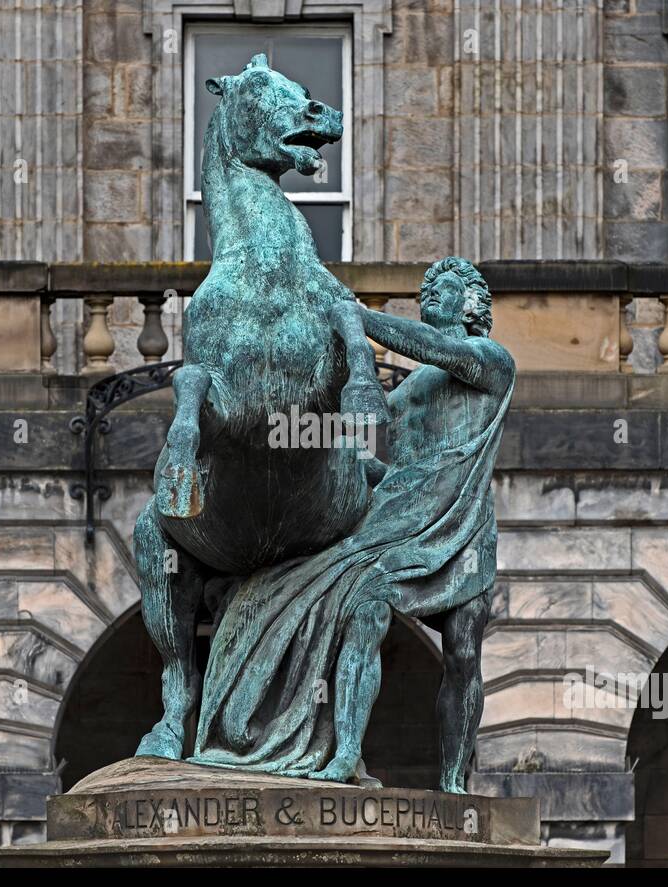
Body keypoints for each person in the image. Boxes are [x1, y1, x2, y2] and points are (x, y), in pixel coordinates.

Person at [190, 257, 515, 793]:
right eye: (426, 287)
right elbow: (404, 469)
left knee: (462, 654)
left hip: (460, 527)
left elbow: (439, 351)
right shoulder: (408, 392)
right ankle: (343, 754)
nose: (432, 293)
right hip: (397, 520)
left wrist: (356, 316)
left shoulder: (489, 361)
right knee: (363, 609)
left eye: (446, 287)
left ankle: (456, 779)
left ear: (473, 304)